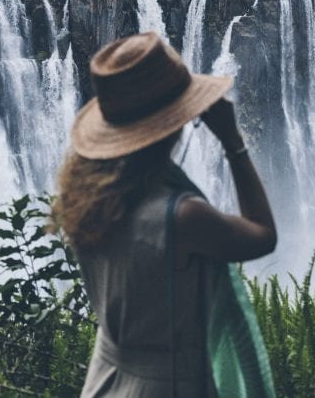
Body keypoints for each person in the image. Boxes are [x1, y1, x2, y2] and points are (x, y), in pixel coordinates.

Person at [52, 31, 277, 397]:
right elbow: (263, 235)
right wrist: (233, 142)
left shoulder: (85, 198)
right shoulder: (182, 217)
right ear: (174, 122)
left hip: (106, 378)